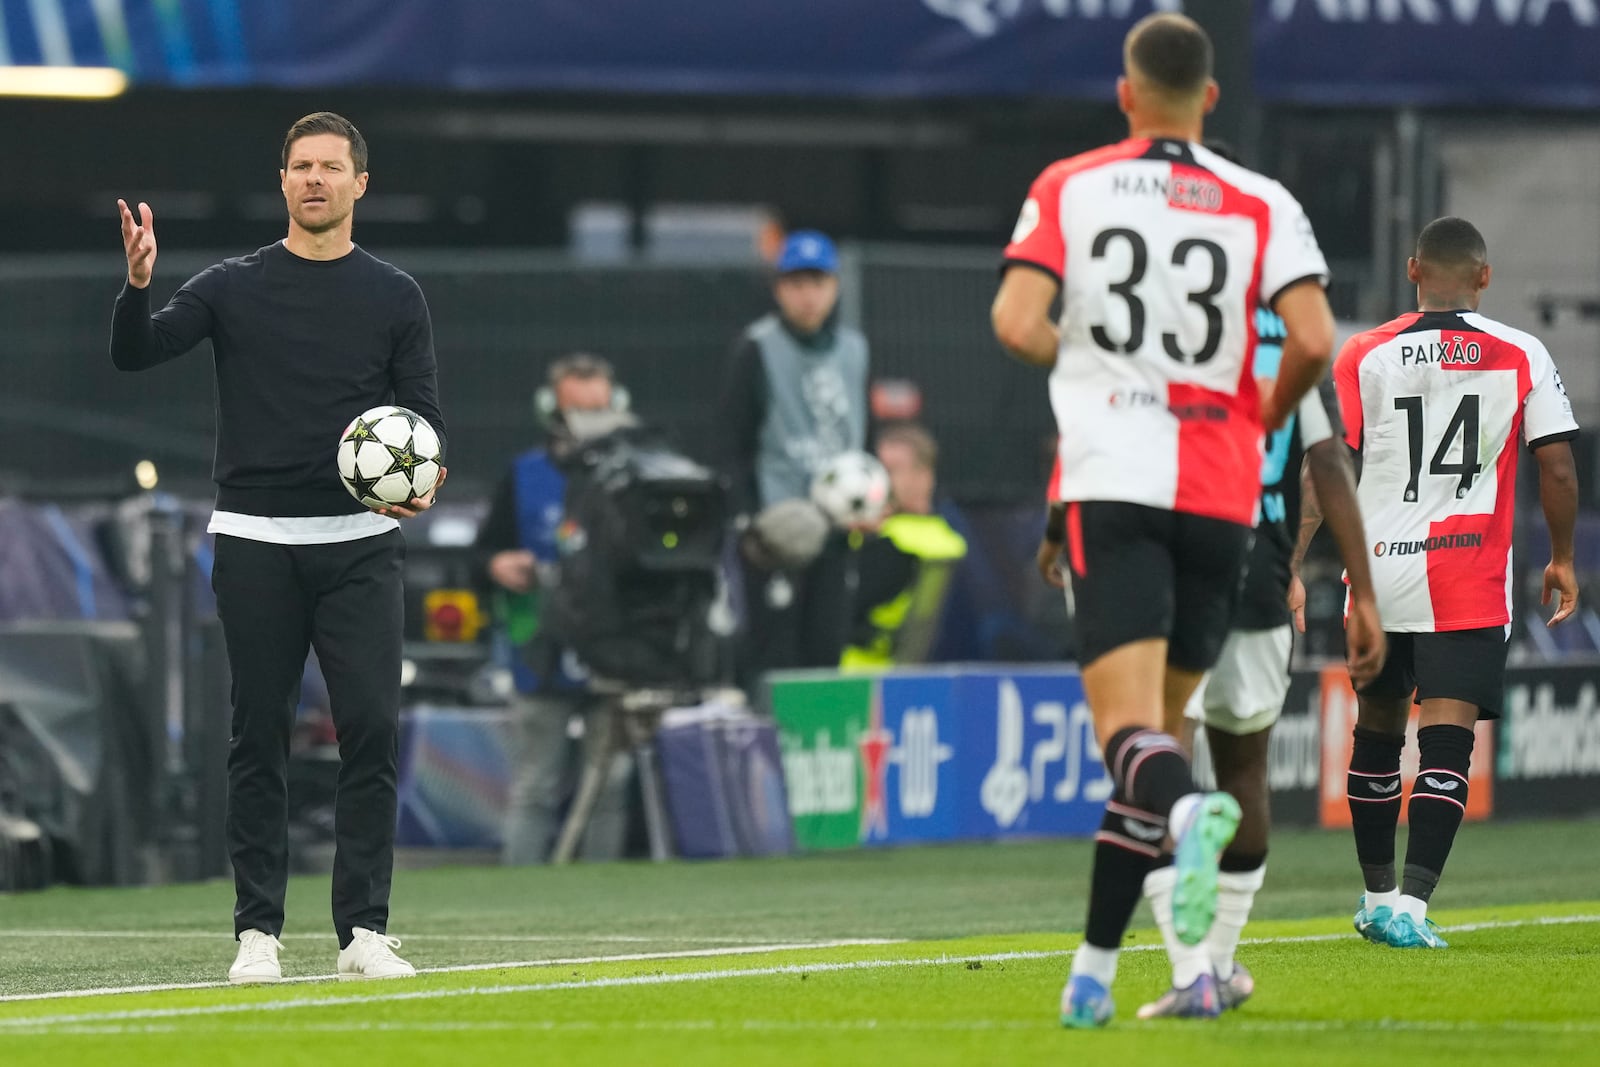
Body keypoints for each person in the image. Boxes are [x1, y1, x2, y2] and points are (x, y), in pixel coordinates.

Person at [994, 14, 1340, 1028]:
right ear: (1212, 99)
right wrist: (1258, 414)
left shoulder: (1074, 184)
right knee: (1154, 745)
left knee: (1136, 744)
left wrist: (1095, 368)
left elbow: (1016, 321)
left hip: (1118, 478)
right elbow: (1313, 335)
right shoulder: (1263, 200)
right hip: (1224, 494)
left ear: (1125, 92)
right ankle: (1093, 978)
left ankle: (1191, 815)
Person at [112, 112, 442, 983]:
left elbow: (423, 418)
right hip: (255, 540)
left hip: (361, 544)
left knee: (371, 727)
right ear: (283, 179)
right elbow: (137, 353)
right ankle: (257, 932)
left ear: (359, 184)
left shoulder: (395, 295)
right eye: (301, 166)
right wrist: (139, 284)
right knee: (257, 735)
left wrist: (424, 478)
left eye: (332, 167)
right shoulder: (231, 285)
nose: (315, 179)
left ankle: (362, 931)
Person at [1312, 216, 1579, 950]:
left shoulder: (1363, 353)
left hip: (1378, 574)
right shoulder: (1521, 352)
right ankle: (1416, 907)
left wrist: (1294, 566)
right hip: (1465, 576)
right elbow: (1555, 464)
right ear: (1484, 277)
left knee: (1376, 733)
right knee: (1446, 747)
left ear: (1412, 270)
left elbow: (1328, 464)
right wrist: (1562, 556)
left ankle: (1375, 896)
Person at [1140, 306, 1385, 1018]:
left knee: (1159, 755)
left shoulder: (1170, 327)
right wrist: (1360, 589)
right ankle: (1218, 963)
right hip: (1260, 576)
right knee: (1246, 770)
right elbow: (1329, 461)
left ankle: (1192, 975)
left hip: (1175, 571)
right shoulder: (1297, 342)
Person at [476, 353, 634, 865]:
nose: (589, 422)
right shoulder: (523, 474)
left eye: (598, 408)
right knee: (536, 784)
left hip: (615, 643)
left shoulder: (637, 476)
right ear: (552, 410)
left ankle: (601, 899)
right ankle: (518, 899)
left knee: (610, 784)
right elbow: (483, 551)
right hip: (541, 642)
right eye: (577, 409)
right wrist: (499, 564)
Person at [714, 230, 870, 681]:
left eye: (817, 283)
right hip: (777, 533)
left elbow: (864, 434)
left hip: (838, 527)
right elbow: (731, 441)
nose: (808, 296)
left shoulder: (855, 350)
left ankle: (819, 748)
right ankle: (772, 745)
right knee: (772, 652)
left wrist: (874, 498)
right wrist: (746, 520)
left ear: (834, 287)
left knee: (826, 646)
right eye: (796, 284)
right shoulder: (757, 348)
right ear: (779, 289)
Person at [841, 422, 968, 671]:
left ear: (924, 476)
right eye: (878, 469)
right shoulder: (943, 539)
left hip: (858, 671)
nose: (880, 480)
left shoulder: (903, 544)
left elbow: (843, 604)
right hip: (885, 674)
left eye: (892, 470)